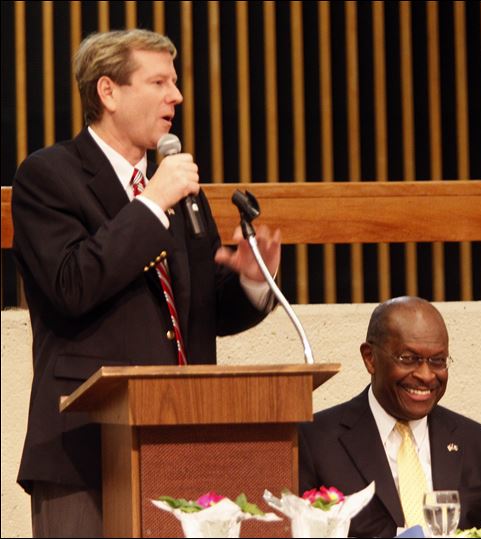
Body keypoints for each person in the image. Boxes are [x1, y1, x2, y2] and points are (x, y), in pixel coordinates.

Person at [11, 29, 281, 537]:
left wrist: (250, 280)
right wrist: (152, 203)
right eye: (158, 82)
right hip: (82, 450)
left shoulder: (178, 188)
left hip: (183, 444)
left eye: (174, 82)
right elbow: (72, 285)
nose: (175, 96)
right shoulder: (48, 176)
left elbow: (201, 312)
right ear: (108, 92)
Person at [299, 296, 481, 537]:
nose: (426, 375)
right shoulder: (314, 443)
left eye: (438, 361)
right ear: (370, 358)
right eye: (408, 359)